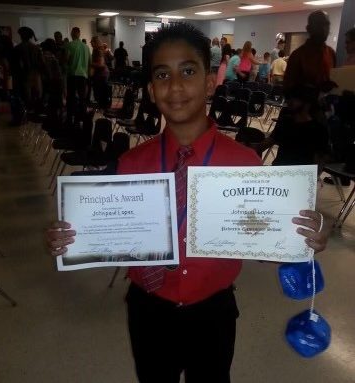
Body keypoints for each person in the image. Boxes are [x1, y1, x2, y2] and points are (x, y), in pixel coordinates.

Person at [46, 23, 328, 383]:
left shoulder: (244, 164)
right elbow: (105, 227)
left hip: (214, 310)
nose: (175, 86)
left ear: (210, 82)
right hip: (148, 309)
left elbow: (260, 239)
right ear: (151, 89)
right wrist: (67, 236)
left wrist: (305, 235)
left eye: (188, 71)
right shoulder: (131, 165)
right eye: (162, 74)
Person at [256, 85, 329, 167]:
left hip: (301, 174)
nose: (289, 102)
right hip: (279, 169)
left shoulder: (318, 130)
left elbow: (320, 160)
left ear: (307, 104)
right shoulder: (286, 122)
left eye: (294, 99)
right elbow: (268, 142)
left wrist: (312, 177)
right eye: (289, 98)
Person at [283, 10, 336, 91]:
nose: (324, 29)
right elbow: (288, 88)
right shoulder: (298, 55)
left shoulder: (331, 53)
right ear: (309, 28)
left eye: (326, 24)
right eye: (319, 24)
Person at [12, 26, 44, 114]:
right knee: (37, 99)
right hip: (36, 76)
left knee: (27, 101)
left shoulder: (17, 48)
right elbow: (42, 64)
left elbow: (16, 66)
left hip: (24, 77)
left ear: (22, 36)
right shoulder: (36, 48)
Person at [65, 27, 91, 125]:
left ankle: (70, 118)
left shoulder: (69, 45)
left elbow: (66, 60)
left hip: (72, 75)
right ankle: (82, 118)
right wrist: (88, 77)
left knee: (71, 98)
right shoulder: (86, 47)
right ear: (79, 34)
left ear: (72, 34)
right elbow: (89, 63)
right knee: (82, 98)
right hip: (83, 76)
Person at [90, 36, 110, 109]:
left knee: (100, 93)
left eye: (91, 41)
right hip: (101, 74)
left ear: (95, 42)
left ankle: (102, 108)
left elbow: (101, 64)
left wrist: (90, 63)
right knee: (100, 93)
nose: (90, 43)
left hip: (102, 74)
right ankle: (101, 107)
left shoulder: (97, 51)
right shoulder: (96, 50)